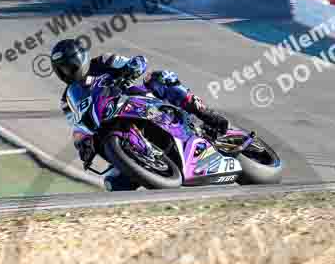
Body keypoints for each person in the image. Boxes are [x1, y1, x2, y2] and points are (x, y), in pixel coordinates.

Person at [50, 39, 230, 190]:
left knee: (158, 78)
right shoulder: (66, 100)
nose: (68, 71)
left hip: (134, 100)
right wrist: (83, 143)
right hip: (108, 125)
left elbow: (138, 61)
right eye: (63, 69)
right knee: (113, 184)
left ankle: (206, 115)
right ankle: (150, 169)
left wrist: (130, 69)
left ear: (82, 58)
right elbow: (77, 125)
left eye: (71, 65)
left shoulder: (103, 61)